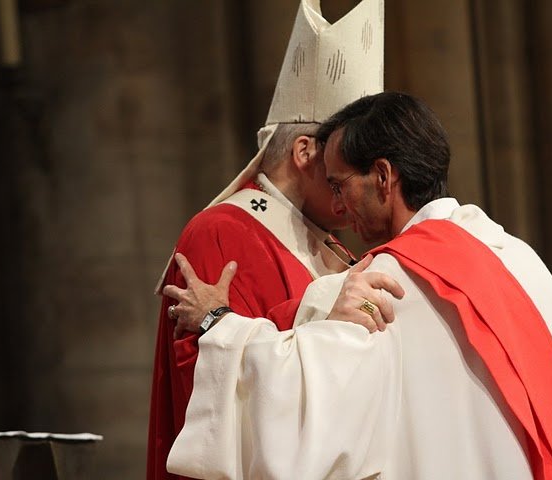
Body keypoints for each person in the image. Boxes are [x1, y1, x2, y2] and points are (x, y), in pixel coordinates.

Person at [164, 92, 552, 479]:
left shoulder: (383, 284)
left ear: (383, 176)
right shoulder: (522, 260)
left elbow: (301, 423)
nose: (335, 205)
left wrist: (217, 322)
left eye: (339, 185)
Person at [145, 0, 385, 478]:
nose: (357, 185)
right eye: (347, 166)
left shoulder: (333, 246)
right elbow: (209, 401)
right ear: (304, 152)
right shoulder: (220, 234)